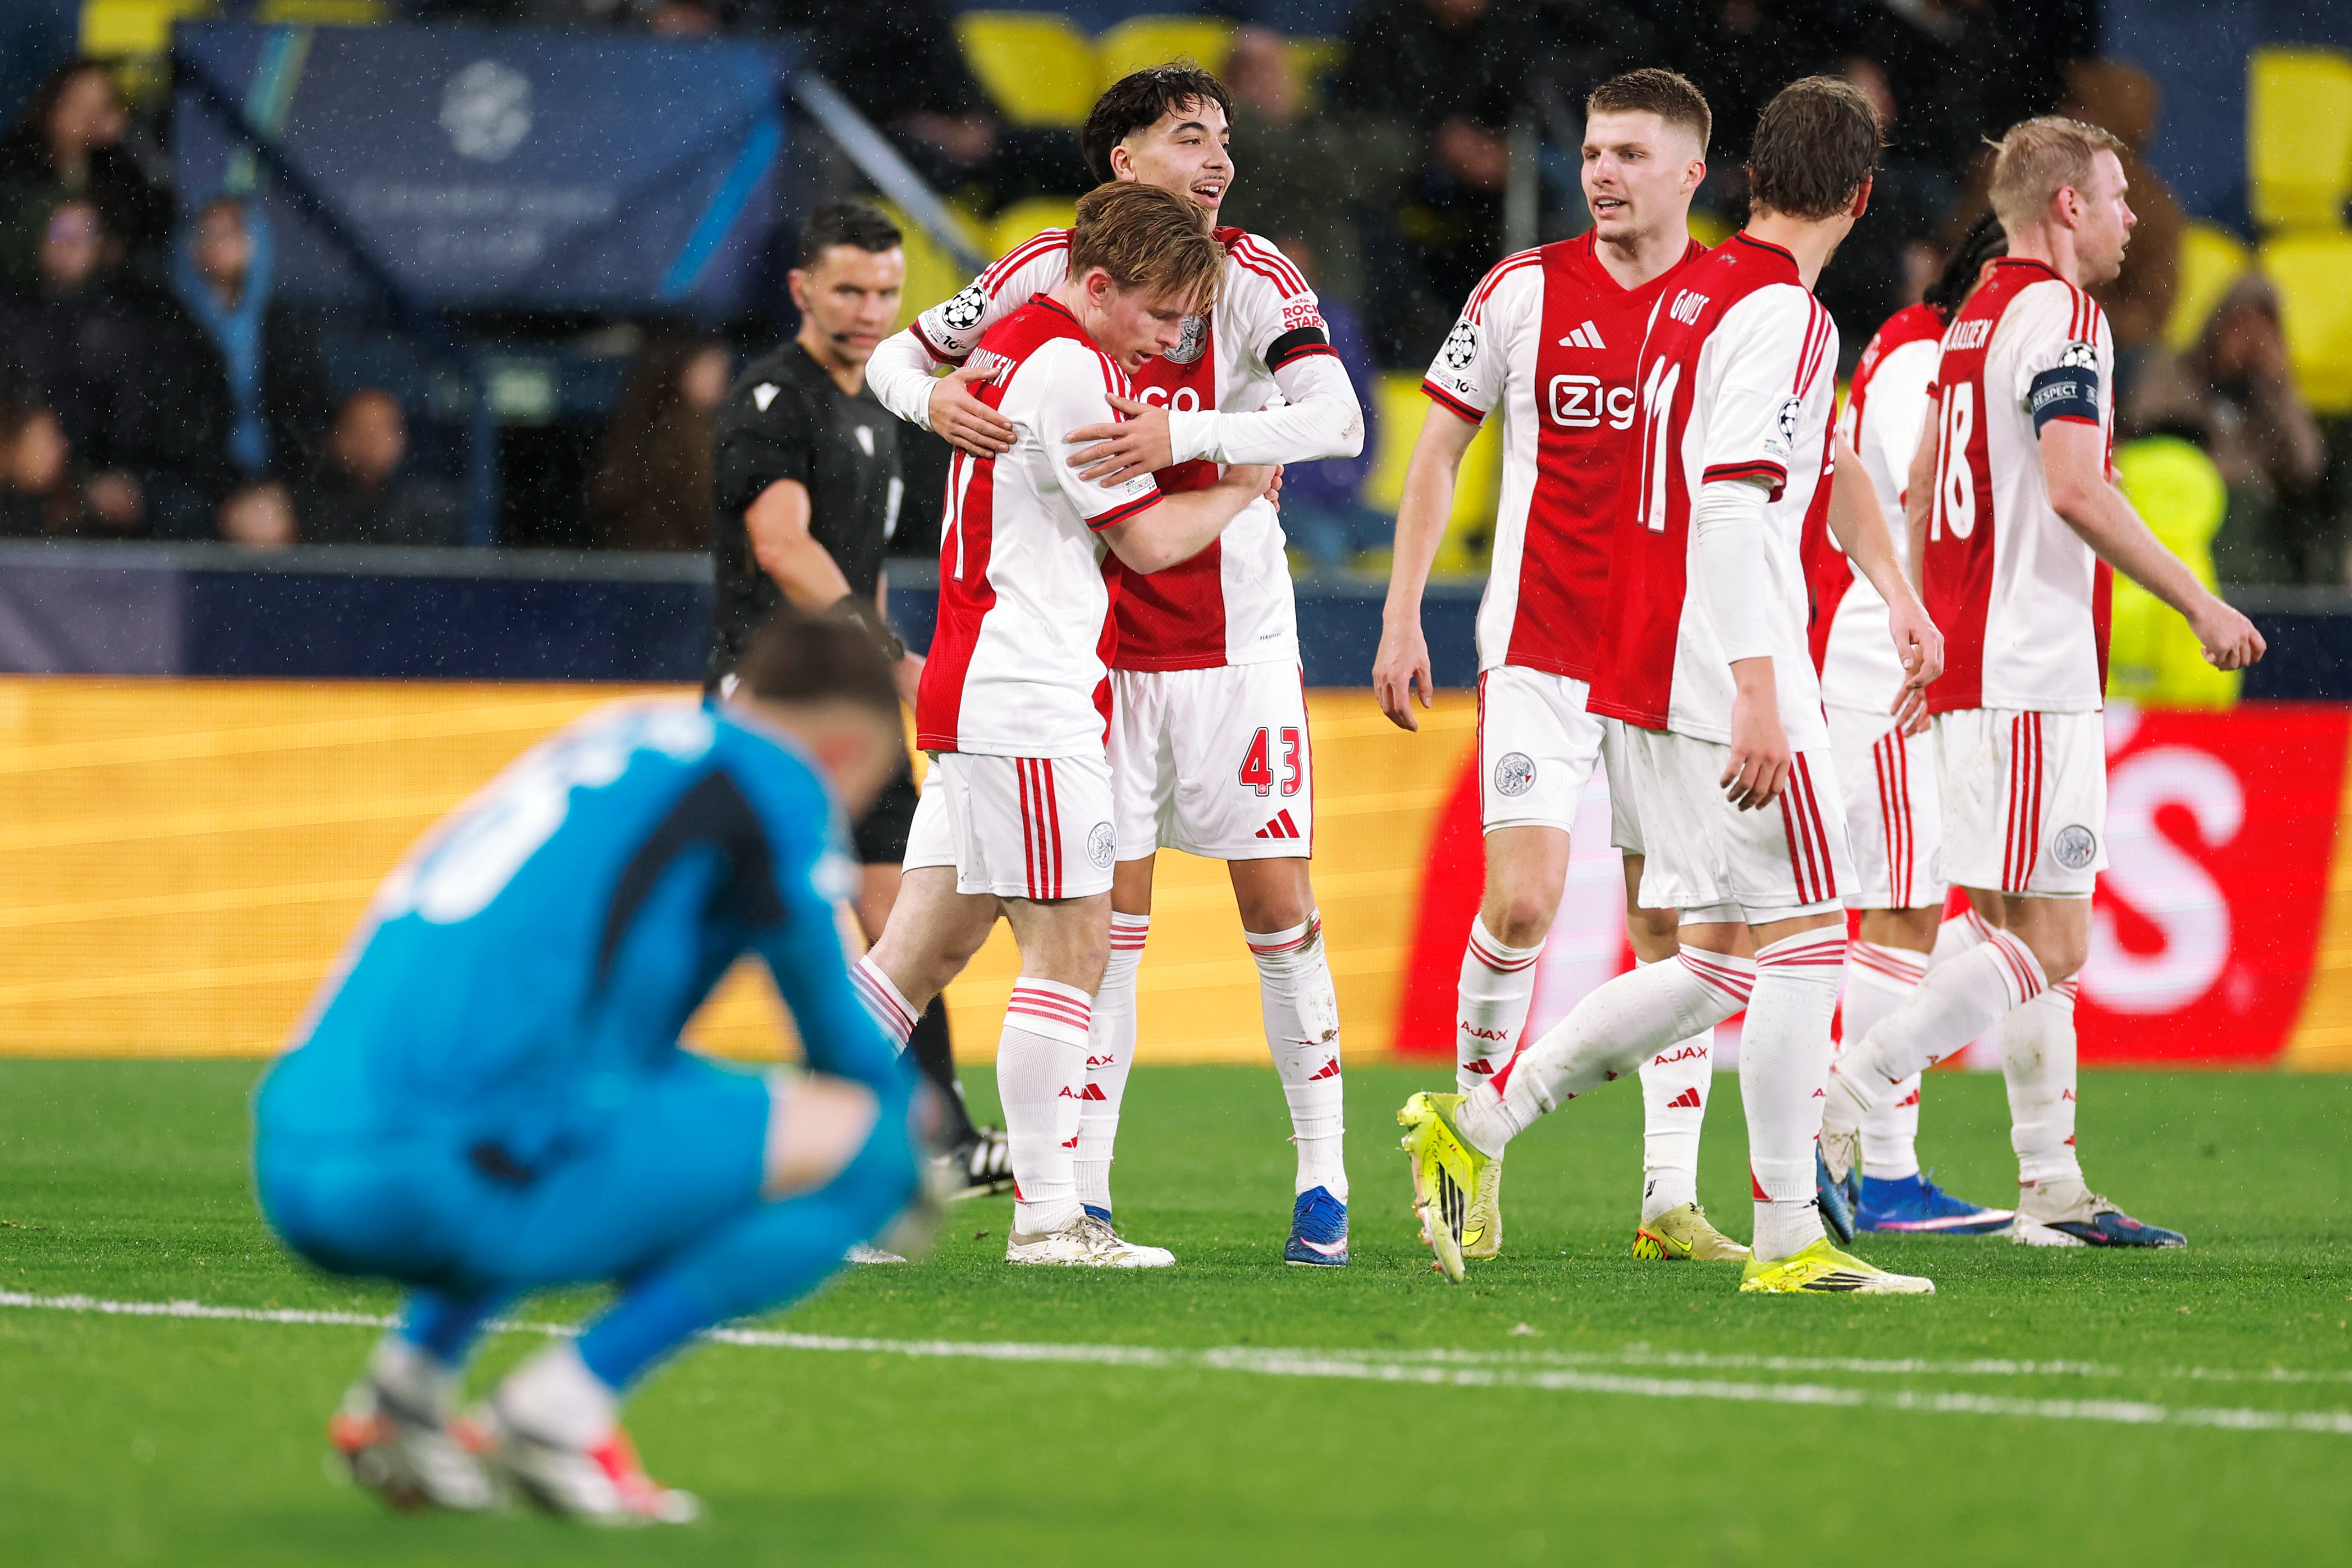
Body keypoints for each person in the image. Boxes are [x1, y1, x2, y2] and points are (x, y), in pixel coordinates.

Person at [1400, 76, 1946, 1296]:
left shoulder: (1684, 300)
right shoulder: (1779, 314)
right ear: (1860, 198)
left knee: (1718, 957)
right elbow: (1727, 498)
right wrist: (1756, 684)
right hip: (1721, 662)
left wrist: (1890, 590)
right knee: (1806, 933)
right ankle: (1785, 1234)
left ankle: (1482, 1121)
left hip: (1634, 655)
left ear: (1743, 176)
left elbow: (1773, 465)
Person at [252, 610, 924, 1524]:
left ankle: (406, 1395)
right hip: (434, 1174)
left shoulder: (623, 737)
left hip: (295, 1145)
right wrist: (916, 1135)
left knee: (568, 1094)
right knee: (871, 1153)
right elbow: (833, 1038)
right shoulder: (772, 781)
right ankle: (559, 1411)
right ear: (848, 747)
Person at [864, 67, 1368, 1267]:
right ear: (1122, 167)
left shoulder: (1244, 278)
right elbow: (1133, 531)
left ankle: (1321, 1176)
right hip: (1064, 669)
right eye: (1188, 136)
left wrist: (1190, 433)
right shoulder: (1057, 322)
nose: (1219, 160)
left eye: (1225, 138)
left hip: (1214, 643)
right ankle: (1062, 1203)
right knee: (1087, 937)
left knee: (932, 949)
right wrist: (929, 395)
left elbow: (1338, 418)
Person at [1818, 115, 2266, 1247]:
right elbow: (2072, 487)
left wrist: (1924, 622)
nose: (2129, 217)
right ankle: (1848, 1092)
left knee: (2013, 927)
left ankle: (2047, 1186)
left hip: (1977, 665)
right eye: (2115, 196)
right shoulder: (2059, 314)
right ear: (2064, 206)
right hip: (2027, 671)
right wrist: (2196, 600)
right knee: (2055, 943)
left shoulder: (1965, 324)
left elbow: (1919, 485)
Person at [1376, 69, 1749, 1267]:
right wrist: (1400, 612)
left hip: (1671, 656)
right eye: (1592, 152)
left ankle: (1666, 1196)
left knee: (1669, 924)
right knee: (1523, 899)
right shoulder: (1521, 291)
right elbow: (1435, 450)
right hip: (1537, 645)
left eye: (1630, 155)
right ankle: (1470, 1153)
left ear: (1691, 173)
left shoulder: (1735, 305)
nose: (1599, 173)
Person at [705, 199, 1008, 1198]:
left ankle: (943, 1139)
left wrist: (890, 661)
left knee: (903, 918)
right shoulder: (771, 400)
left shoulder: (882, 406)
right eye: (847, 289)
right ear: (800, 289)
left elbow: (859, 569)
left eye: (886, 290)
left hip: (857, 709)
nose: (870, 310)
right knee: (808, 928)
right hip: (775, 704)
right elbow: (782, 547)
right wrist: (889, 653)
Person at [1798, 210, 2014, 1235]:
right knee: (1900, 906)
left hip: (1906, 641)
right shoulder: (1917, 359)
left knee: (1920, 906)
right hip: (1889, 648)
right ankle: (1874, 1166)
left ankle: (1872, 1158)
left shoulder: (1919, 353)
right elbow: (1919, 494)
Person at [151, 197, 332, 540]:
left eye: (229, 234)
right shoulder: (171, 328)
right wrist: (228, 494)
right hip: (201, 488)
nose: (216, 245)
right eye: (206, 234)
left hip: (279, 485)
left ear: (254, 243)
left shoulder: (284, 327)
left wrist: (280, 491)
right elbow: (176, 429)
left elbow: (307, 413)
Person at [587, 334, 732, 552]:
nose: (723, 379)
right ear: (684, 370)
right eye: (712, 367)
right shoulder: (685, 433)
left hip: (644, 561)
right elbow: (707, 510)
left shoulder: (642, 423)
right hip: (671, 564)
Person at [301, 389, 460, 546]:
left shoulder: (428, 509)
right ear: (333, 438)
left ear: (402, 440)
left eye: (381, 430)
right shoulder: (304, 508)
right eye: (358, 430)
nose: (370, 442)